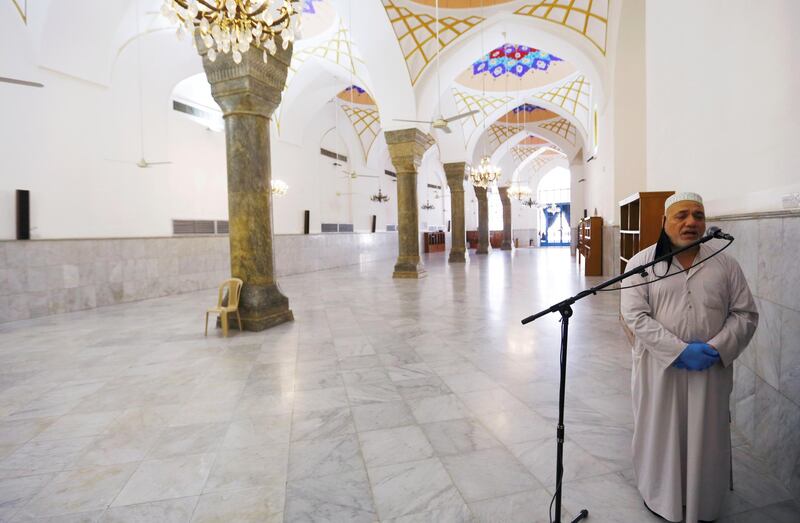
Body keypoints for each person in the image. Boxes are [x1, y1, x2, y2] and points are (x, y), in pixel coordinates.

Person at [620, 192, 758, 523]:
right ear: (664, 222)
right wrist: (677, 351)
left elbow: (745, 313)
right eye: (681, 215)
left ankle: (704, 500)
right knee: (660, 431)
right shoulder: (642, 263)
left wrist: (718, 348)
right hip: (659, 368)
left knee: (706, 435)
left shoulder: (725, 263)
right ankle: (659, 495)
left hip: (710, 369)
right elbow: (635, 315)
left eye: (698, 215)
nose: (691, 222)